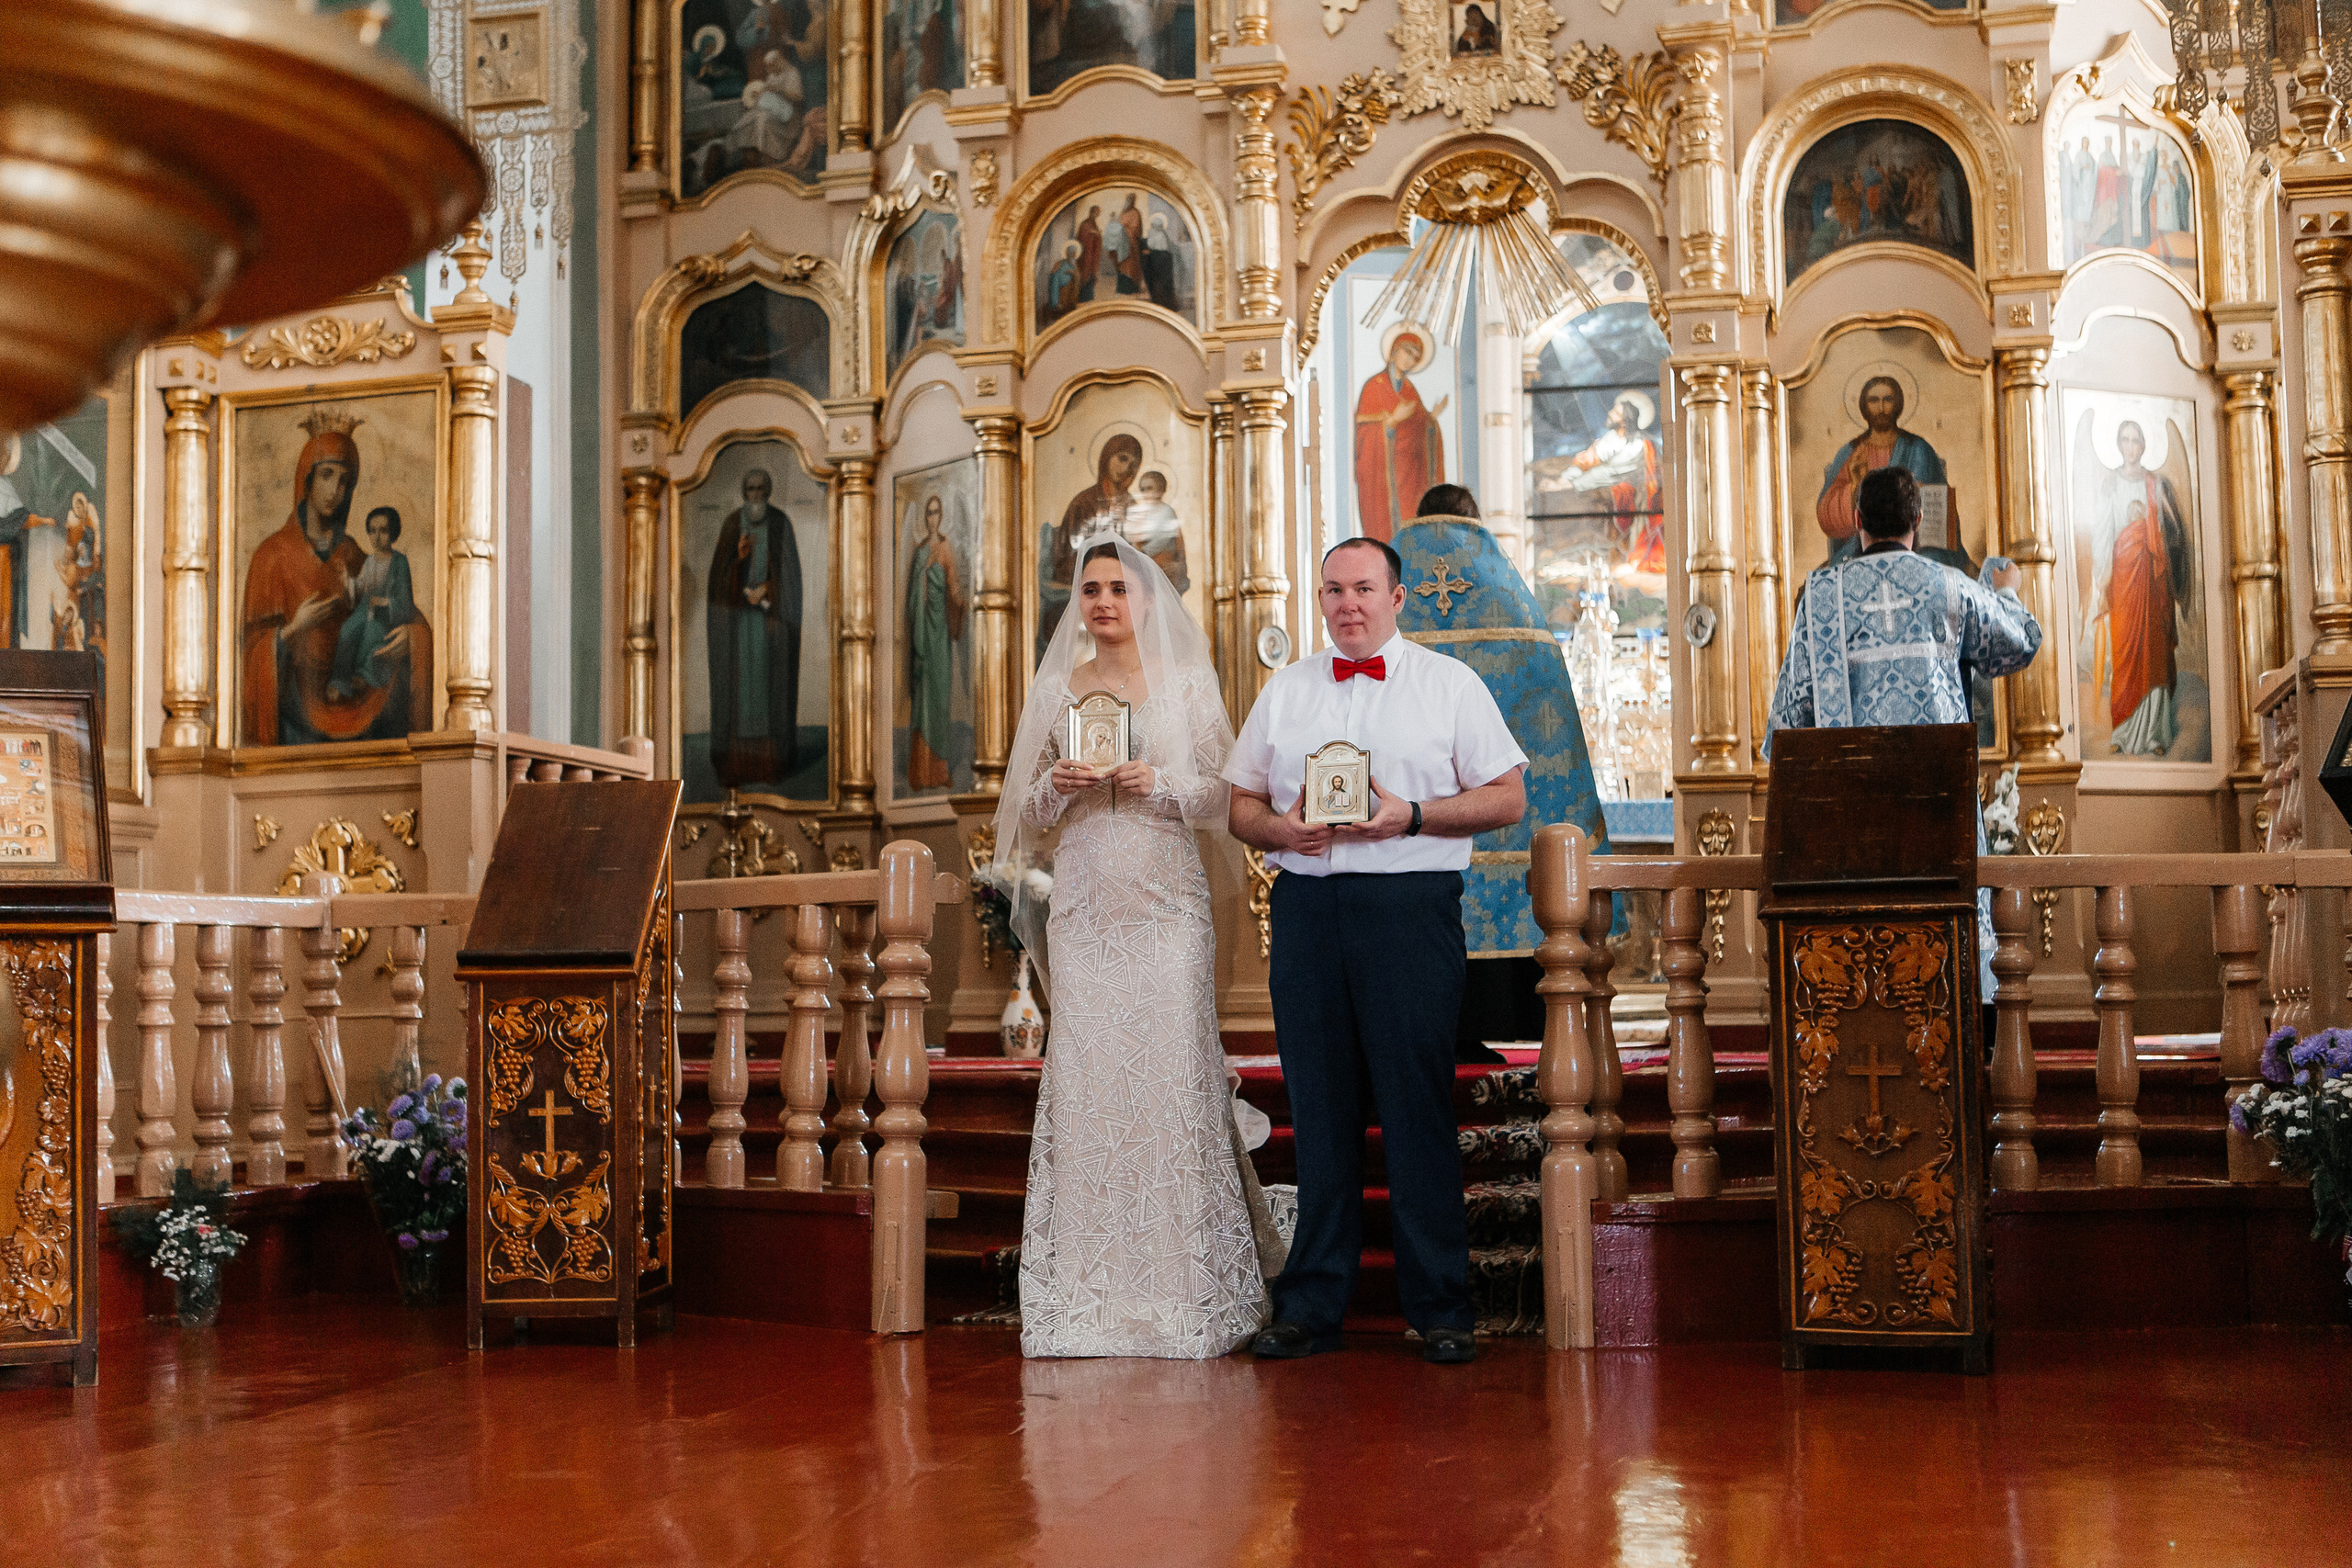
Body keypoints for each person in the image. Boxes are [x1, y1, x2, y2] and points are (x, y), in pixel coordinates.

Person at [1227, 534, 1530, 1365]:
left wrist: (1415, 817)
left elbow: (1508, 795)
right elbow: (1238, 804)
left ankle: (1440, 1305)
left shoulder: (1449, 684)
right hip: (1307, 908)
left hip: (1409, 906)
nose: (1346, 604)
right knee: (1318, 1108)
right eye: (1332, 591)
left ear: (1398, 598)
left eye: (1362, 588)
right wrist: (1279, 829)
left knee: (1414, 1103)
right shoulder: (1286, 691)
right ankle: (1311, 1302)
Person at [996, 535, 1277, 1359]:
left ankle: (1185, 1289)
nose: (1105, 601)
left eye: (1120, 587)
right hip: (1087, 907)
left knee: (1168, 1074)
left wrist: (1160, 783)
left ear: (1149, 600)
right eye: (1091, 588)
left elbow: (1225, 797)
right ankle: (1089, 1295)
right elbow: (1031, 814)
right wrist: (1060, 784)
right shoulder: (1057, 688)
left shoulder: (1187, 682)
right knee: (1089, 1080)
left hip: (1165, 905)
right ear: (1077, 601)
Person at [1767, 466, 2041, 998]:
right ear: (1918, 519)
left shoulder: (1822, 594)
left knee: (1855, 969)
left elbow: (1791, 717)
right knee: (1943, 958)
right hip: (1936, 812)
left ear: (1855, 521)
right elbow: (2020, 644)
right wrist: (2003, 590)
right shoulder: (1947, 585)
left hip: (1847, 820)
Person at [1391, 485, 1611, 1061]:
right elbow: (1551, 716)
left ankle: (1450, 1032)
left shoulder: (1387, 611)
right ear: (1478, 526)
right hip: (1505, 818)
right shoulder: (1515, 612)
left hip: (1409, 837)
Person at [241, 409, 430, 745]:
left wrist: (412, 637)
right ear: (307, 479)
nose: (335, 490)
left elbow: (392, 603)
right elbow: (252, 649)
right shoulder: (271, 555)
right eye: (327, 475)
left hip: (357, 700)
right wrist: (295, 627)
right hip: (297, 711)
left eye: (345, 481)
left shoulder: (354, 553)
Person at [2078, 420, 2192, 756]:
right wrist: (2101, 578)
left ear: (2143, 446)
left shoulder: (2154, 484)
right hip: (2123, 578)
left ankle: (2157, 733)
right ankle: (2124, 732)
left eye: (2136, 441)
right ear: (2118, 444)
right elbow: (2102, 530)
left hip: (2152, 580)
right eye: (2125, 440)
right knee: (2126, 653)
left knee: (2153, 652)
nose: (2130, 447)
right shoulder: (2110, 483)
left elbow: (2172, 532)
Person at [707, 467, 803, 790]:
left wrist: (770, 590)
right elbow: (718, 580)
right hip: (738, 629)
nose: (756, 495)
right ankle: (737, 766)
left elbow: (790, 577)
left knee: (768, 690)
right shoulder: (732, 524)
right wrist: (736, 562)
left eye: (762, 489)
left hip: (768, 628)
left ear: (769, 491)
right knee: (739, 694)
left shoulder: (780, 524)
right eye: (751, 489)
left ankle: (770, 764)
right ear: (744, 493)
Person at [1039, 434, 1142, 656]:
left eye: (1133, 465)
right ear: (1107, 458)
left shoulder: (1134, 507)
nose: (1128, 469)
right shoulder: (1083, 503)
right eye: (1122, 459)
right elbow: (1063, 560)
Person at [1352, 322, 1445, 543]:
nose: (1409, 360)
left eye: (1415, 357)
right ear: (1394, 351)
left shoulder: (1409, 390)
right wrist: (1391, 421)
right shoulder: (1374, 386)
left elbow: (1421, 425)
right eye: (1407, 352)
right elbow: (1365, 431)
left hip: (1409, 475)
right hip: (1384, 474)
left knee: (1409, 524)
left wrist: (1431, 421)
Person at [903, 492, 967, 791]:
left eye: (936, 512)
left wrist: (961, 599)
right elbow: (910, 598)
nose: (932, 517)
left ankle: (939, 772)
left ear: (942, 516)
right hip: (921, 635)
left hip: (939, 632)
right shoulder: (918, 552)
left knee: (939, 699)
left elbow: (953, 587)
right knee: (922, 699)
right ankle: (920, 773)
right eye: (928, 512)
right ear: (924, 517)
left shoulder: (945, 548)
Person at [328, 507, 418, 701]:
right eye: (373, 531)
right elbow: (360, 587)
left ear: (393, 533)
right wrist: (347, 581)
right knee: (347, 630)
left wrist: (385, 603)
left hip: (385, 612)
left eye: (383, 531)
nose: (377, 537)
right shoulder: (369, 561)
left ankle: (364, 676)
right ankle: (339, 680)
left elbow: (404, 600)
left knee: (372, 632)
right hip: (366, 608)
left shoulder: (399, 562)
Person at [1119, 468, 1189, 592]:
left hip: (1161, 563)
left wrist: (1141, 551)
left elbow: (1161, 539)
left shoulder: (1166, 511)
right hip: (1146, 563)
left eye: (1150, 488)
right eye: (1143, 489)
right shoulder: (1142, 511)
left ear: (1161, 490)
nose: (1146, 493)